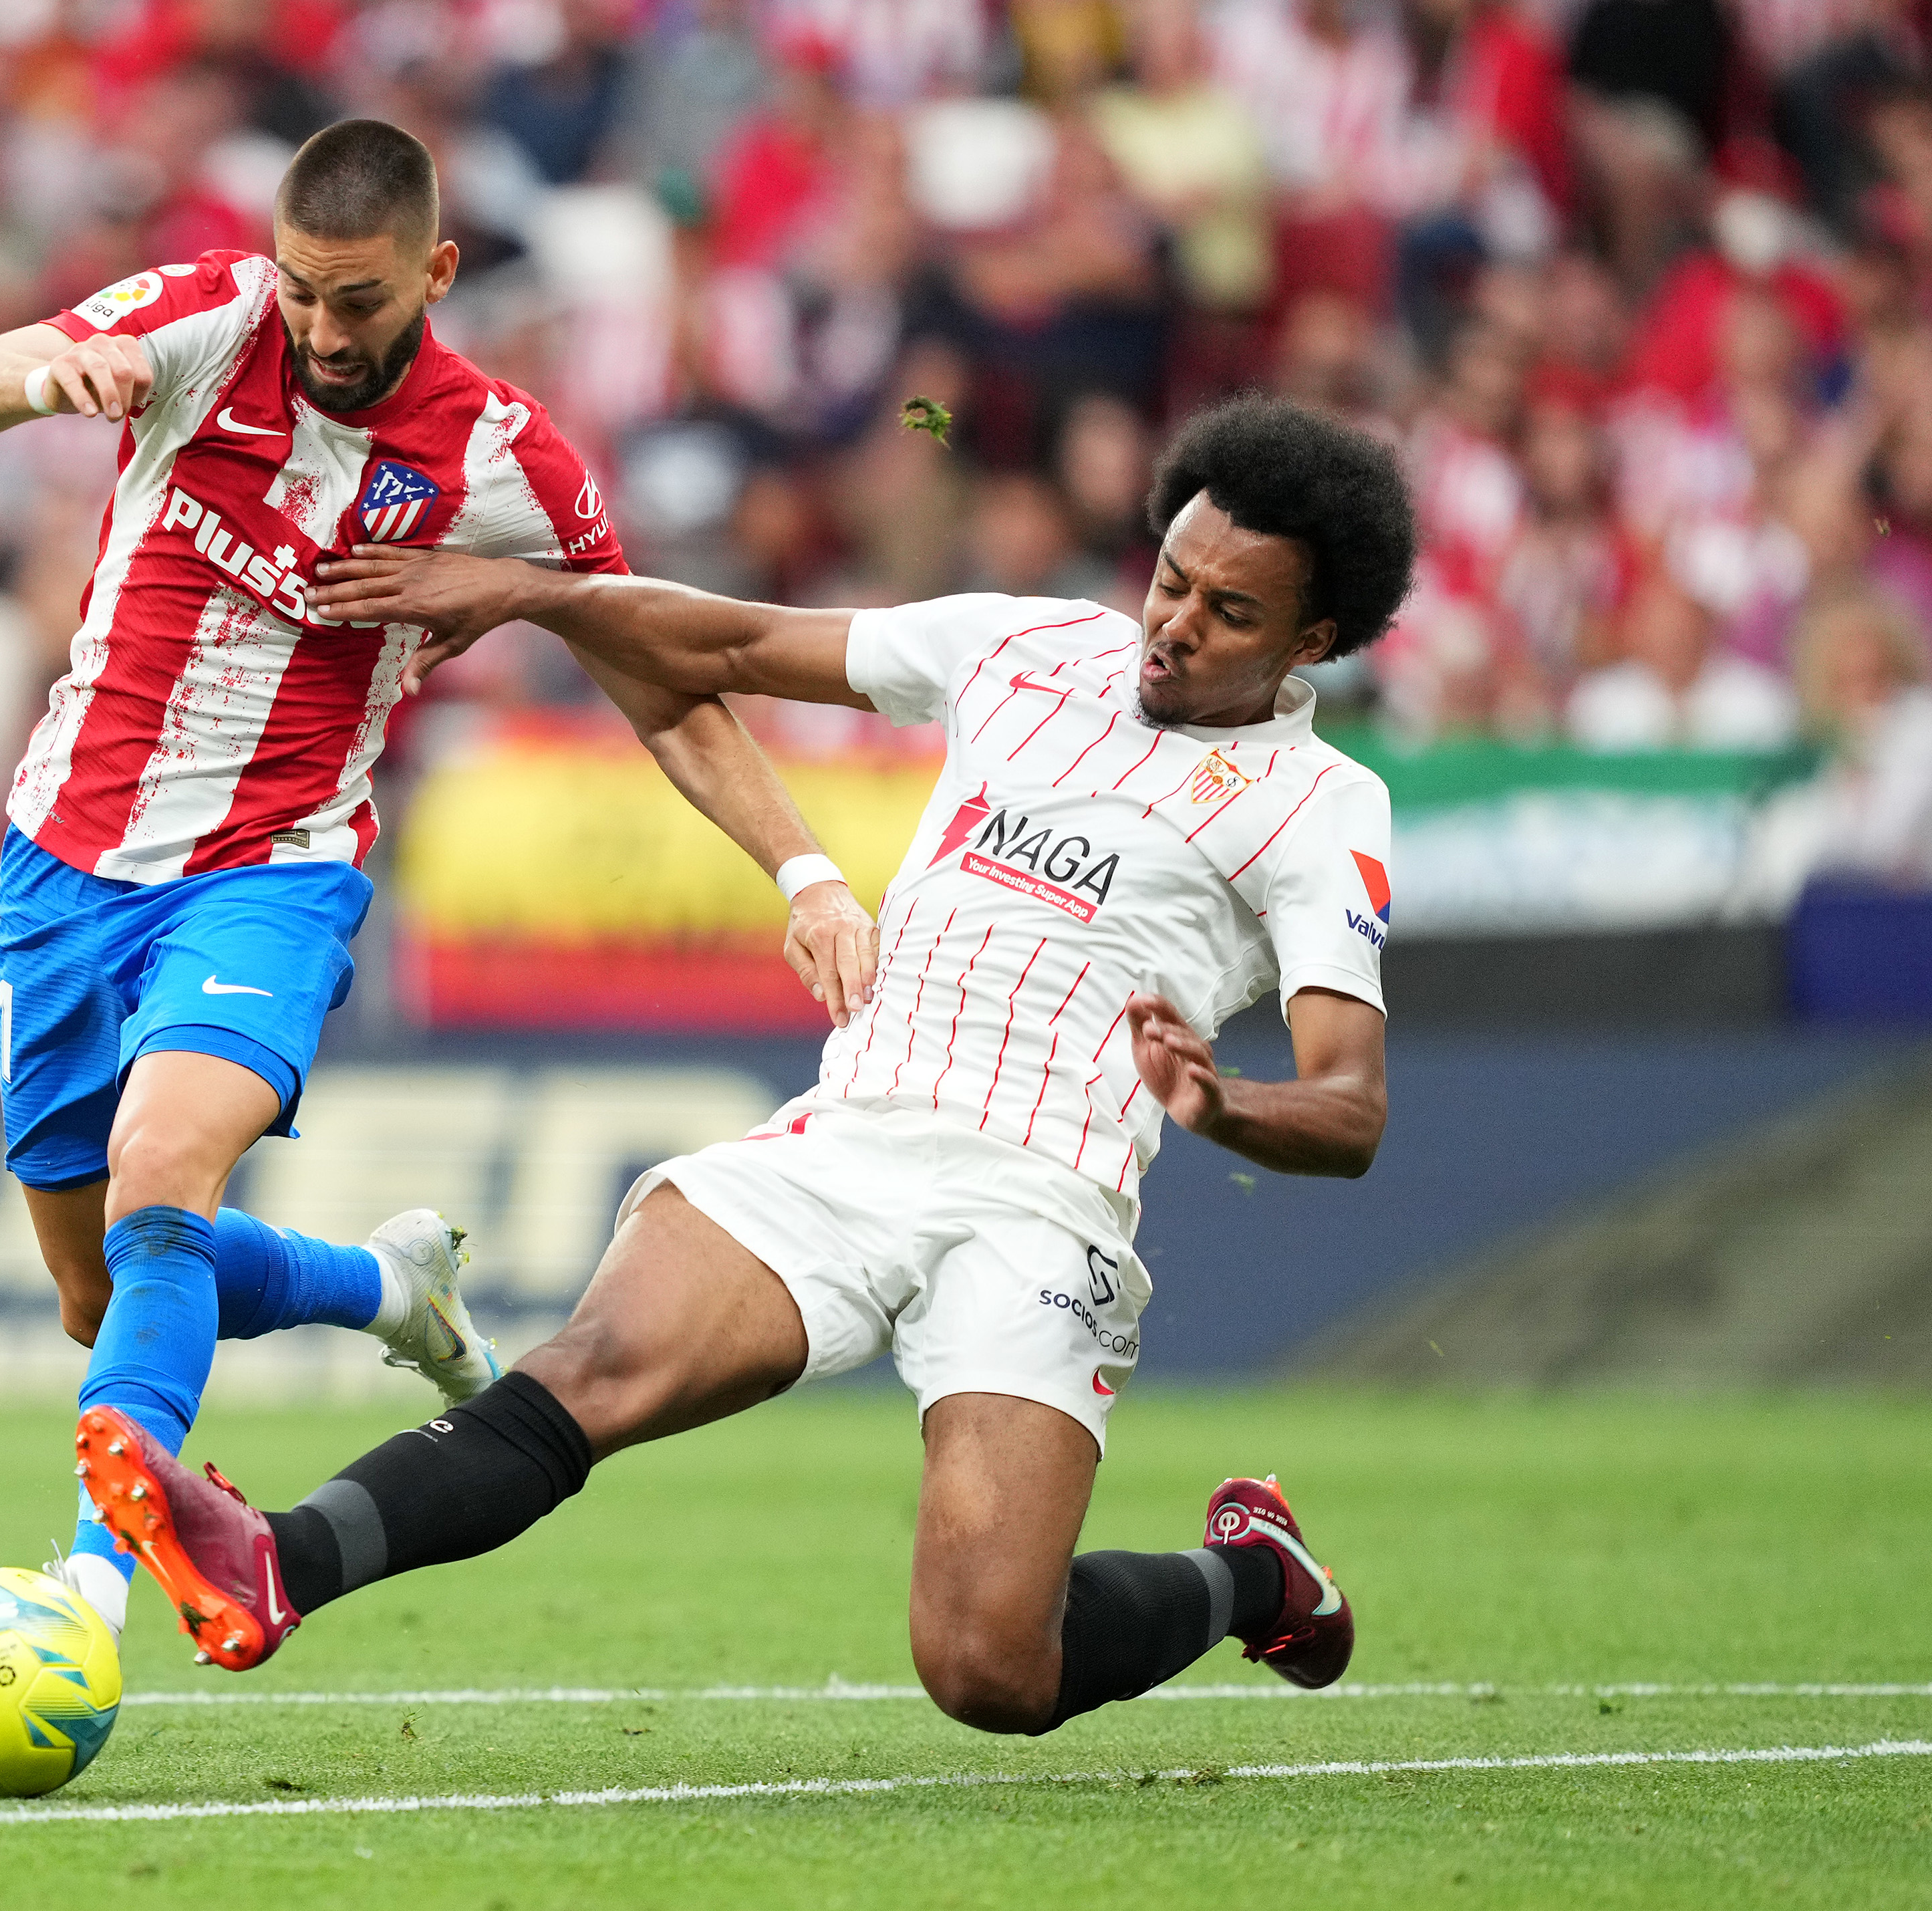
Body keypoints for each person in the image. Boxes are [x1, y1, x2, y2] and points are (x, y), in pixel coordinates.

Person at [78, 394, 1418, 1735]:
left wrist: (1222, 1098)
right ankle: (279, 1559)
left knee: (990, 1666)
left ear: (1312, 640)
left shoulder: (1323, 807)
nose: (1176, 623)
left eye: (1228, 613)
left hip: (1043, 1198)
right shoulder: (1027, 644)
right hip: (856, 1135)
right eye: (1171, 580)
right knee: (594, 1364)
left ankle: (1256, 1576)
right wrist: (526, 590)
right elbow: (725, 639)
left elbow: (1349, 1105)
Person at [0, 120, 873, 1642]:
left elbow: (668, 683)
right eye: (300, 291)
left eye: (356, 300)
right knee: (107, 1296)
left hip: (271, 867)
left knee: (167, 1178)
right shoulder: (203, 321)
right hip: (64, 855)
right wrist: (49, 376)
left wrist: (805, 869)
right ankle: (382, 1287)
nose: (319, 328)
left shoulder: (502, 459)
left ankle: (87, 1585)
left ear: (435, 271)